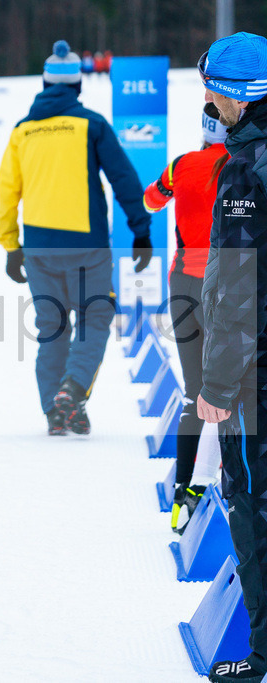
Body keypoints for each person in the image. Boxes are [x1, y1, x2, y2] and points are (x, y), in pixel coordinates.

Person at [0, 40, 152, 436]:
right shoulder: (91, 125)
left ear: (45, 84)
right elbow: (124, 178)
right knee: (96, 317)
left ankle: (57, 408)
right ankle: (73, 389)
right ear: (77, 85)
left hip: (40, 247)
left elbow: (6, 192)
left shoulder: (22, 131)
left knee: (52, 328)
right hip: (87, 244)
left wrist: (11, 245)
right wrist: (141, 231)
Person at [193, 32, 267, 683]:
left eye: (211, 85)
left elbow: (235, 288)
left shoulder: (247, 168)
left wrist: (216, 381)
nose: (207, 98)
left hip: (255, 374)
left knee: (252, 505)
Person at [143, 102, 230, 533]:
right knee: (225, 392)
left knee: (193, 392)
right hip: (223, 287)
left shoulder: (181, 165)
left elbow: (151, 199)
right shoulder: (238, 165)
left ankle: (182, 494)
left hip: (181, 284)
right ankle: (209, 485)